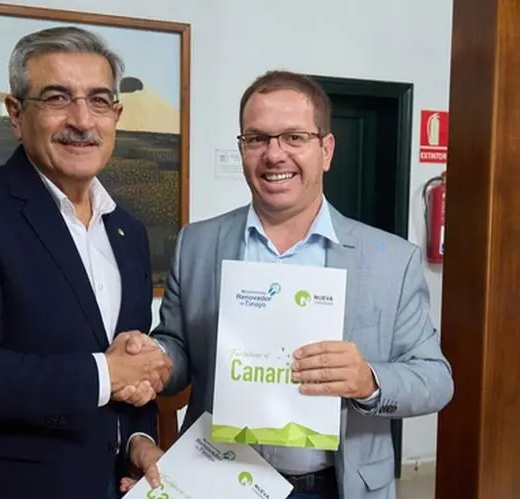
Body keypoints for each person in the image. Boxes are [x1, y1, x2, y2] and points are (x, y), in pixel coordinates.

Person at [118, 70, 454, 499]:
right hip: (220, 479)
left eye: (294, 137)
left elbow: (435, 380)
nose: (274, 155)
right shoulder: (197, 244)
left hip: (339, 486)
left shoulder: (391, 261)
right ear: (242, 149)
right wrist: (157, 356)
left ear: (326, 150)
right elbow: (178, 346)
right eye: (257, 139)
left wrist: (368, 380)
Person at [0, 26, 171, 499]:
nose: (81, 120)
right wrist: (106, 374)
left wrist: (138, 442)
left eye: (98, 100)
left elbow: (128, 364)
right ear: (15, 114)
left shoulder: (127, 231)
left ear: (116, 115)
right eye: (57, 98)